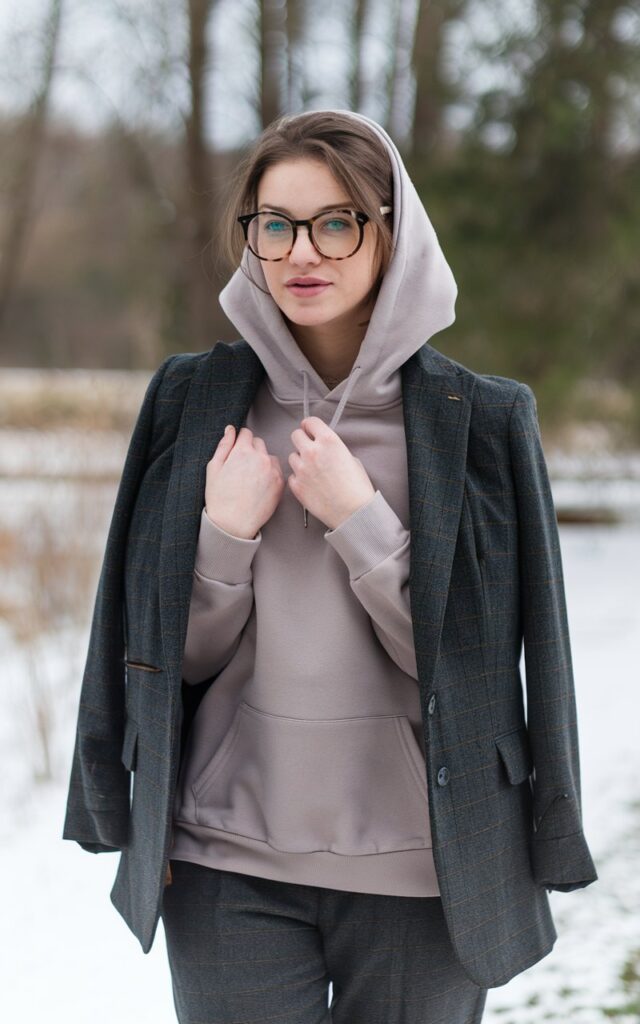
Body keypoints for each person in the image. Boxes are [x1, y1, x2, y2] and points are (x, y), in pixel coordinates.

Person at [62, 107, 598, 1023]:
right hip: (225, 858)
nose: (302, 250)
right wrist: (224, 538)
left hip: (427, 870)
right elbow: (159, 652)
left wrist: (361, 521)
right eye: (275, 223)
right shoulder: (193, 400)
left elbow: (476, 664)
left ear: (392, 231)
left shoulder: (482, 422)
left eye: (336, 220)